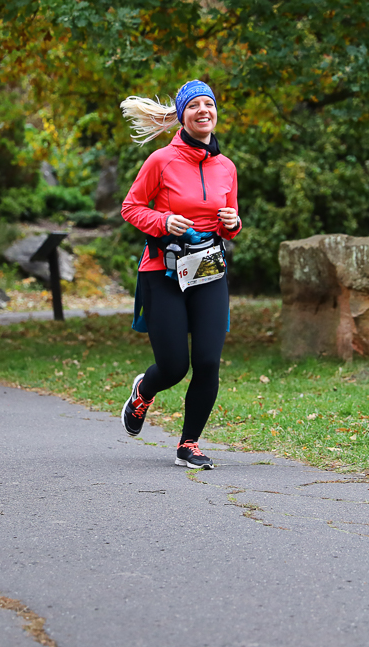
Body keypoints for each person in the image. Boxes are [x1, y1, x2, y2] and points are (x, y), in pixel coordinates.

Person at [118, 80, 242, 469]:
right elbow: (131, 208)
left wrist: (232, 223)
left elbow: (230, 222)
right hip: (164, 270)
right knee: (173, 366)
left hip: (208, 269)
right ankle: (143, 392)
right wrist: (163, 220)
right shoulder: (161, 160)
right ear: (182, 116)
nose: (204, 110)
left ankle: (189, 443)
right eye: (195, 106)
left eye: (209, 104)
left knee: (207, 361)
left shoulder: (226, 167)